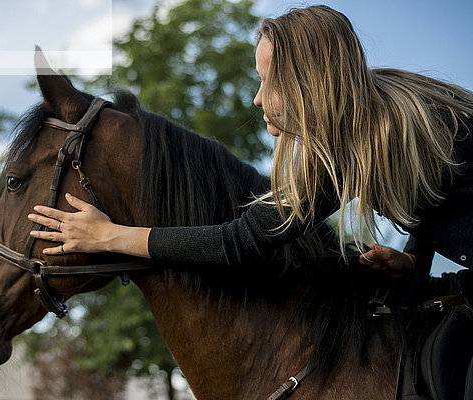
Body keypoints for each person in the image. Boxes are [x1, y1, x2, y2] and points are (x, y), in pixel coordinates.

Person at [28, 5, 472, 275]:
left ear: (306, 86)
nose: (257, 98)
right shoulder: (376, 124)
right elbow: (439, 200)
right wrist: (414, 259)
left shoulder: (385, 138)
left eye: (267, 82)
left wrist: (112, 238)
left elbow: (238, 242)